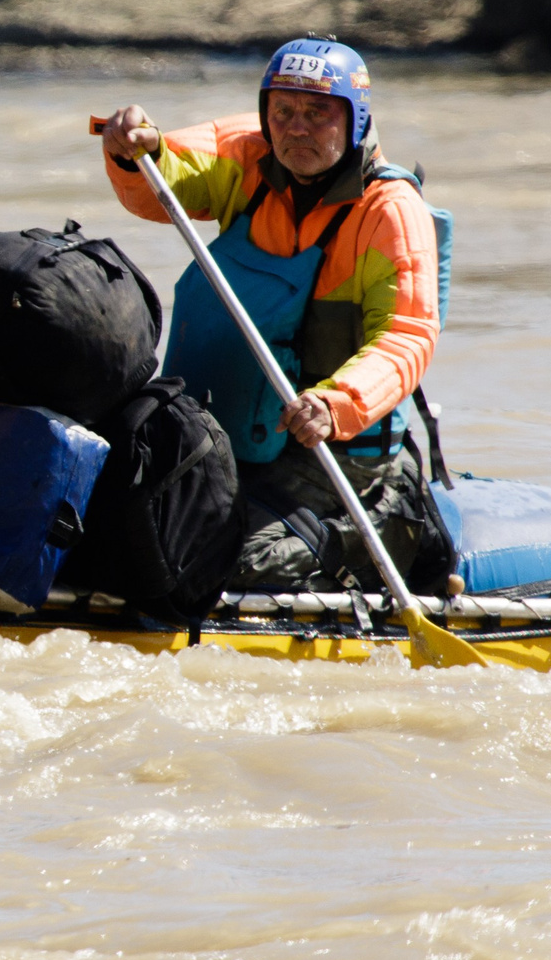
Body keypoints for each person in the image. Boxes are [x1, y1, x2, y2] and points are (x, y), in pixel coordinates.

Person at [98, 39, 442, 590]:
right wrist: (133, 147)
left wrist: (335, 403)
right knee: (114, 535)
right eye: (282, 111)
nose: (296, 128)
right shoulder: (251, 155)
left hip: (333, 454)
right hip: (234, 434)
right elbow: (166, 171)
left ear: (355, 121)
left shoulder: (391, 211)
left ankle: (371, 536)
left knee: (223, 565)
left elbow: (408, 334)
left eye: (317, 113)